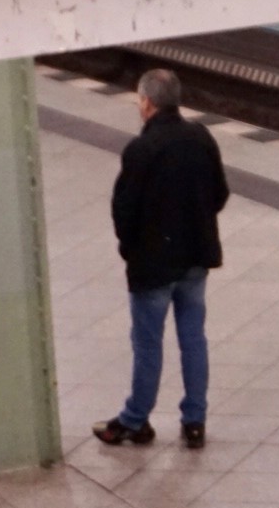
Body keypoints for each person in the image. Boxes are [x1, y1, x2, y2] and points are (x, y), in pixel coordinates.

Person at [94, 69, 228, 449]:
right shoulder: (201, 137)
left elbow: (124, 210)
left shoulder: (141, 149)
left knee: (148, 344)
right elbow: (219, 192)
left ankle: (135, 420)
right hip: (195, 260)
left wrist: (131, 250)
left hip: (153, 267)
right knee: (193, 339)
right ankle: (194, 422)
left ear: (148, 103)